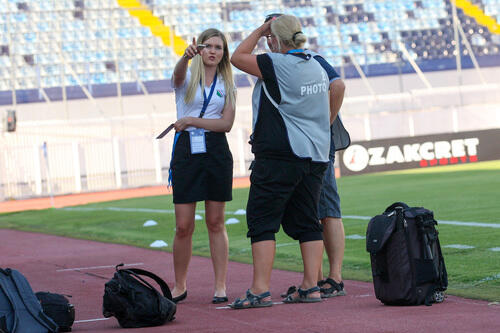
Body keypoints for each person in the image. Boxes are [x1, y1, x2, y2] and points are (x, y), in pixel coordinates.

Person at [229, 15, 331, 309]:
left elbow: (238, 57)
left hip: (280, 156)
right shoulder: (316, 64)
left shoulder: (277, 64)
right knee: (308, 222)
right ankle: (311, 286)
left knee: (261, 221)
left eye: (270, 37)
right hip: (316, 155)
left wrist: (260, 30)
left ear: (274, 39)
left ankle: (260, 289)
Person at [260, 13, 350, 300]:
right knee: (312, 211)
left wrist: (325, 122)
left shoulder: (310, 58)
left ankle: (333, 277)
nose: (270, 39)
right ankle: (317, 278)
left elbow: (338, 85)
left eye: (271, 34)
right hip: (305, 145)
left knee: (326, 209)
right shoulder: (286, 62)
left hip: (314, 145)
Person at [169, 28, 236, 304]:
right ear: (199, 49)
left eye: (218, 47)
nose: (213, 51)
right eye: (208, 46)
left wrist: (192, 121)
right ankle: (179, 285)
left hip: (216, 150)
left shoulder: (228, 83)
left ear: (224, 53)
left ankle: (220, 286)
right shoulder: (187, 77)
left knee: (215, 222)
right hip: (187, 150)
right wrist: (183, 59)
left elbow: (226, 124)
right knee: (183, 225)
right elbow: (176, 77)